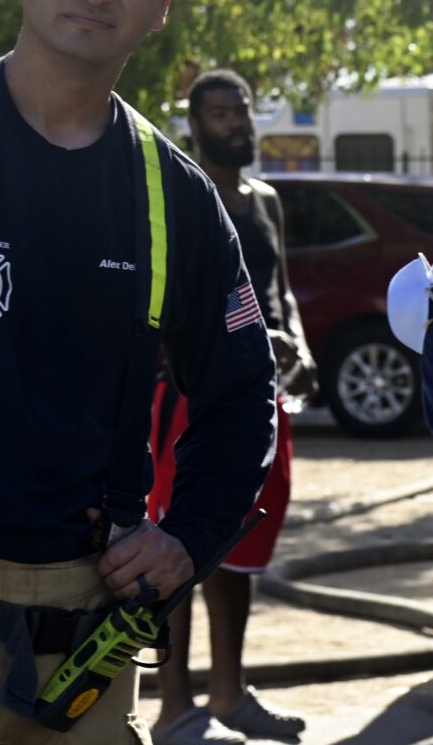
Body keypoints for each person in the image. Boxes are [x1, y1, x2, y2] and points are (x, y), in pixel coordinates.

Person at [0, 0, 277, 745]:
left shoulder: (176, 196)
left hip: (84, 643)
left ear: (164, 3)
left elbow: (243, 392)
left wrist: (188, 535)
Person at [148, 70, 318, 745]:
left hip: (263, 396)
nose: (236, 123)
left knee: (240, 543)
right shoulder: (181, 195)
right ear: (195, 125)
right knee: (177, 545)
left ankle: (228, 694)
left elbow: (282, 291)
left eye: (241, 110)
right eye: (221, 113)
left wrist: (299, 347)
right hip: (191, 396)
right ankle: (174, 708)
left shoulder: (266, 199)